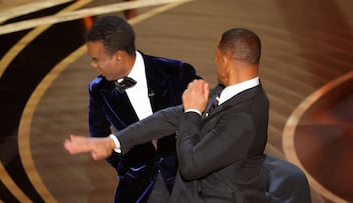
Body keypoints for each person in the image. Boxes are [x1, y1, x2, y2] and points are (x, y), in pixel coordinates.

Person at [66, 27, 270, 202]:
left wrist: (191, 112)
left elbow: (191, 165)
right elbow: (171, 117)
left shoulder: (244, 118)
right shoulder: (230, 90)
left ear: (225, 62)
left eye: (216, 57)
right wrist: (113, 141)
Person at [84, 15, 200, 203]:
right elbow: (99, 135)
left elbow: (206, 117)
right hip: (136, 188)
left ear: (119, 56)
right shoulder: (99, 89)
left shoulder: (177, 72)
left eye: (97, 59)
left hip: (186, 183)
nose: (94, 65)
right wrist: (126, 166)